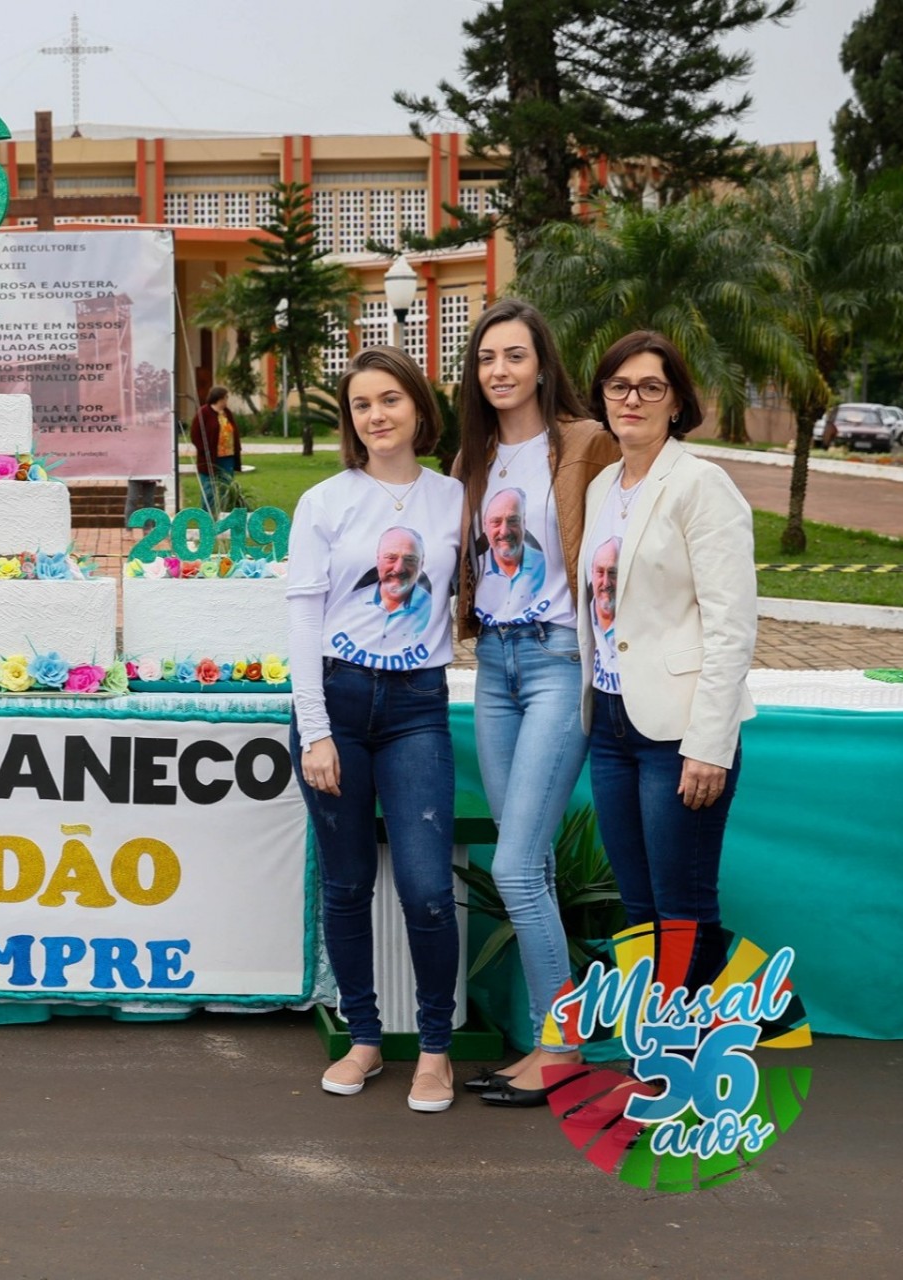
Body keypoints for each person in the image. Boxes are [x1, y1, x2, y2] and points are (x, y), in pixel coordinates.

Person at [449, 298, 619, 1107]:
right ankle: (551, 1045)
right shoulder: (472, 459)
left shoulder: (585, 444)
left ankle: (562, 1048)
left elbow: (624, 541)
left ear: (542, 365)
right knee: (532, 863)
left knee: (515, 864)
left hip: (558, 661)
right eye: (487, 359)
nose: (500, 371)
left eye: (513, 356)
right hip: (495, 666)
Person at [286, 346, 465, 1113]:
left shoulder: (456, 497)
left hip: (417, 706)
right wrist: (316, 730)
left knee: (427, 888)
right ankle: (364, 1037)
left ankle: (434, 1050)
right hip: (336, 702)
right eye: (362, 405)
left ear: (419, 408)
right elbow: (302, 618)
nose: (377, 415)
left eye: (389, 399)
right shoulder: (325, 502)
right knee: (349, 883)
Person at [578, 331, 757, 998]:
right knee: (639, 908)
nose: (633, 399)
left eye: (651, 387)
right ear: (602, 395)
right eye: (619, 386)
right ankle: (653, 1048)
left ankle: (686, 1070)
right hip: (612, 723)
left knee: (682, 909)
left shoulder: (702, 486)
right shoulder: (603, 486)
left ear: (677, 401)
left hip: (679, 733)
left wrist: (710, 744)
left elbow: (731, 625)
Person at [190, 386, 241, 512]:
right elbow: (195, 435)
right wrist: (204, 450)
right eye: (225, 398)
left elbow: (233, 431)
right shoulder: (204, 413)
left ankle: (224, 515)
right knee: (209, 490)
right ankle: (208, 516)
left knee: (226, 488)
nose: (227, 400)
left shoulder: (227, 413)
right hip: (209, 458)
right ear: (219, 399)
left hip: (227, 457)